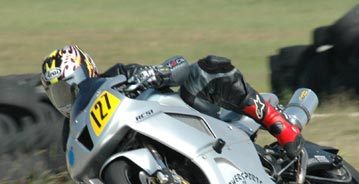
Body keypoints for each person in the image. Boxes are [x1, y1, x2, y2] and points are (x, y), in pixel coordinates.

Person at [41, 45, 303, 158]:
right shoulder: (73, 133)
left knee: (206, 69)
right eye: (59, 94)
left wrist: (156, 72)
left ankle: (278, 123)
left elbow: (178, 65)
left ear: (87, 70)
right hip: (157, 170)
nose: (68, 98)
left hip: (191, 121)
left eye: (69, 88)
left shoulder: (117, 75)